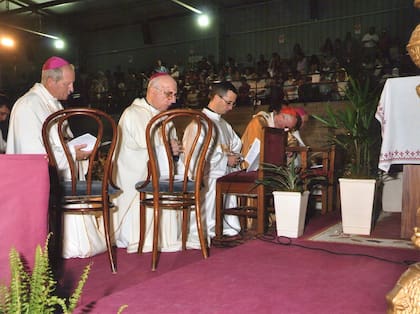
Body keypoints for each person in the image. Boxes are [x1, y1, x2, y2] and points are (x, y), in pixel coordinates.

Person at [6, 56, 106, 259]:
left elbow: (62, 142)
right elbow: (33, 155)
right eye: (67, 84)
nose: (71, 89)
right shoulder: (28, 105)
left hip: (59, 171)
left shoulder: (54, 104)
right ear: (51, 81)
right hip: (33, 182)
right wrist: (72, 154)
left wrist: (76, 150)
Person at [112, 73, 184, 254]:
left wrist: (175, 150)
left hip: (160, 177)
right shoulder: (133, 114)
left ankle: (165, 235)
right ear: (153, 91)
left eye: (175, 95)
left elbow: (169, 149)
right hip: (136, 178)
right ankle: (139, 235)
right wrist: (167, 148)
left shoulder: (165, 118)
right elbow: (144, 149)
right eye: (169, 94)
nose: (173, 100)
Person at [182, 81, 242, 243]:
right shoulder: (199, 122)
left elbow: (236, 145)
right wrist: (224, 159)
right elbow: (195, 155)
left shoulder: (224, 124)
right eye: (228, 103)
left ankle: (225, 227)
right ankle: (206, 228)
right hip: (207, 175)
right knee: (215, 181)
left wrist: (234, 156)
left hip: (223, 172)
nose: (230, 108)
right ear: (216, 97)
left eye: (233, 104)